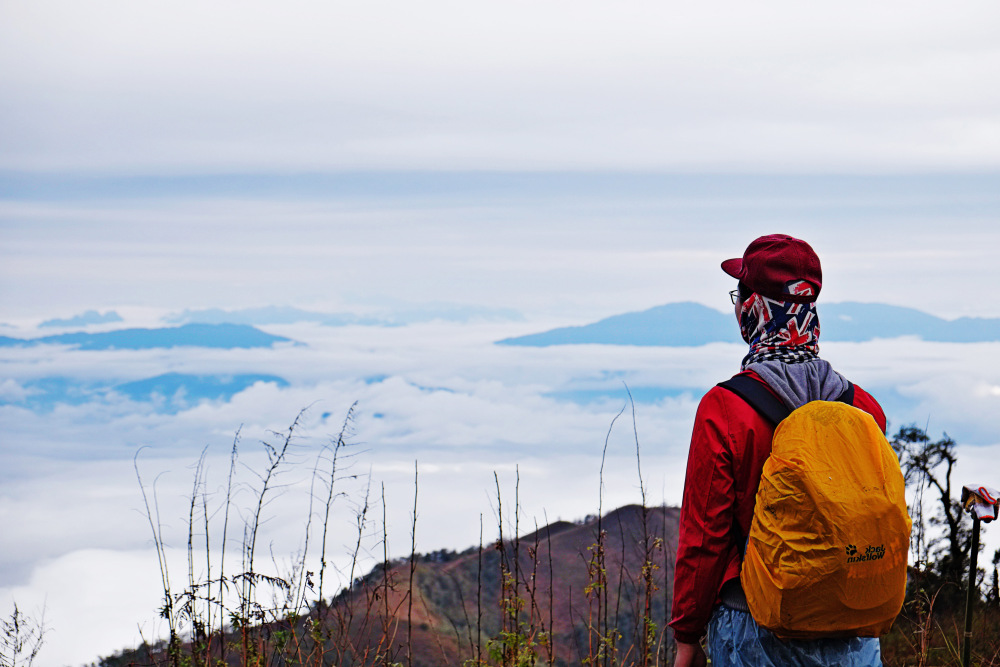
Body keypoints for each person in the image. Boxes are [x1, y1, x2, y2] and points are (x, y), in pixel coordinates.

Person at [668, 234, 887, 667]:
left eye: (739, 297)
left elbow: (705, 538)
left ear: (753, 308)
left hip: (754, 626)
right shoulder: (864, 408)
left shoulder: (724, 409)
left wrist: (687, 636)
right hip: (852, 631)